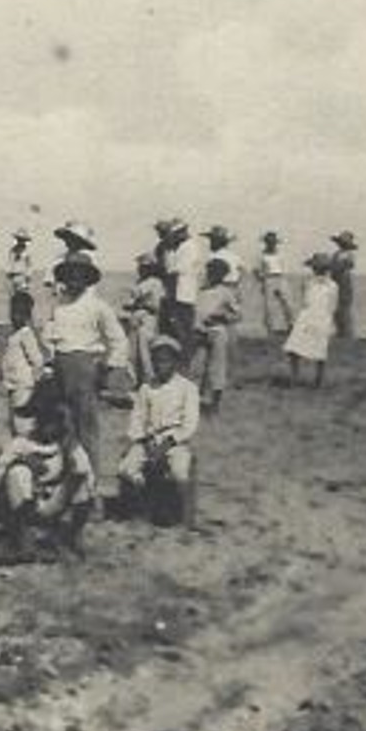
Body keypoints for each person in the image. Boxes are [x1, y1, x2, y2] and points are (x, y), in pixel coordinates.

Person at [43, 251, 130, 464]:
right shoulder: (59, 306)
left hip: (84, 369)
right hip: (59, 368)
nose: (74, 278)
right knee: (60, 422)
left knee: (86, 426)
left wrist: (107, 368)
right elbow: (48, 335)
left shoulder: (98, 306)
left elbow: (119, 340)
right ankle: (65, 476)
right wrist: (49, 362)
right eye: (70, 273)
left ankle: (91, 480)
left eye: (79, 274)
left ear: (87, 278)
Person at [115, 335, 200, 527]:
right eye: (157, 361)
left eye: (166, 361)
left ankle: (182, 516)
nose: (160, 366)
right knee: (126, 469)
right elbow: (137, 419)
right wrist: (142, 440)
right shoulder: (146, 388)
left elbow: (190, 424)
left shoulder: (188, 388)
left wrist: (169, 442)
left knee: (179, 472)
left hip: (175, 442)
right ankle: (143, 505)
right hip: (148, 440)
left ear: (175, 362)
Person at [0, 401, 94, 559]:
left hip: (55, 501)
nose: (50, 428)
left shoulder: (67, 445)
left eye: (54, 424)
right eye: (46, 423)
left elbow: (86, 473)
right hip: (28, 503)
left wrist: (71, 470)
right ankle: (24, 538)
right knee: (18, 472)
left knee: (80, 478)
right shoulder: (22, 444)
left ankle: (72, 536)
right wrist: (24, 463)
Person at [192, 257, 241, 413]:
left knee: (217, 368)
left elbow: (238, 315)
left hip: (217, 332)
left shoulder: (226, 292)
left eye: (217, 272)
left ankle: (214, 405)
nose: (212, 274)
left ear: (222, 275)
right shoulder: (201, 291)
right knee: (197, 367)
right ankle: (194, 402)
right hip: (200, 333)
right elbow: (195, 312)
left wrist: (223, 317)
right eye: (210, 271)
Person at [283, 253, 339, 388]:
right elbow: (304, 301)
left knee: (320, 350)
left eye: (320, 268)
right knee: (294, 348)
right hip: (307, 315)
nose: (317, 270)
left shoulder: (332, 285)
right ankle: (294, 379)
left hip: (322, 316)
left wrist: (330, 321)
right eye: (316, 268)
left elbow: (333, 305)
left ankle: (319, 380)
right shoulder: (308, 282)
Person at [0, 290, 49, 436]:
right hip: (13, 384)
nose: (15, 317)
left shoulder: (26, 334)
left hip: (24, 384)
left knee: (22, 420)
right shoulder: (15, 335)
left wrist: (36, 378)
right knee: (13, 418)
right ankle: (17, 442)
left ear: (27, 316)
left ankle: (24, 443)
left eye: (20, 314)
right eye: (13, 313)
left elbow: (37, 359)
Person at [123, 253, 167, 385]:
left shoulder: (155, 283)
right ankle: (134, 381)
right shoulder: (140, 282)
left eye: (145, 267)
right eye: (141, 267)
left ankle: (149, 379)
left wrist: (139, 304)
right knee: (132, 352)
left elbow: (156, 306)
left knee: (144, 351)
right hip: (136, 318)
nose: (141, 269)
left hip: (147, 319)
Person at [163, 219, 202, 348]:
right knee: (181, 326)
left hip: (184, 293)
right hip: (182, 292)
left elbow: (174, 269)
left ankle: (186, 355)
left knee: (183, 327)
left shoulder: (188, 247)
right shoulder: (183, 247)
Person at [254, 231, 294, 336]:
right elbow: (256, 270)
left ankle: (291, 325)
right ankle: (270, 328)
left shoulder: (280, 254)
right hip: (269, 278)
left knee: (287, 302)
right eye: (269, 242)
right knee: (270, 305)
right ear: (266, 243)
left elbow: (284, 267)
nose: (271, 244)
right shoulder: (262, 255)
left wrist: (284, 278)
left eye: (273, 242)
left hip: (280, 277)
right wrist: (262, 281)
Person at [329, 231, 358, 340]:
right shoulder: (337, 254)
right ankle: (341, 331)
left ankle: (346, 332)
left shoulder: (349, 255)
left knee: (344, 307)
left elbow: (349, 265)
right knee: (337, 307)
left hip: (344, 282)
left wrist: (336, 267)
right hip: (337, 281)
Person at [5, 227, 38, 323]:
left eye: (22, 240)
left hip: (23, 277)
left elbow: (30, 266)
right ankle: (15, 320)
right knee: (13, 300)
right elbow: (9, 263)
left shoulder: (28, 252)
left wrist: (28, 277)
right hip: (13, 277)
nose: (20, 241)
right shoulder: (12, 250)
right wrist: (9, 274)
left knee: (24, 299)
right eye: (19, 239)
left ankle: (27, 319)